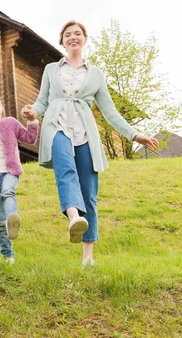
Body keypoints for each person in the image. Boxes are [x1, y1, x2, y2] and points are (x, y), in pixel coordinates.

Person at [21, 20, 159, 266]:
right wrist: (33, 112)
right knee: (65, 169)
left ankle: (87, 257)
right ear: (61, 41)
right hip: (58, 126)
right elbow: (42, 102)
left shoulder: (96, 74)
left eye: (77, 34)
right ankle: (74, 217)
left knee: (89, 192)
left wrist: (135, 135)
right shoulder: (52, 69)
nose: (72, 37)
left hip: (85, 133)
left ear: (84, 39)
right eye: (67, 35)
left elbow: (110, 111)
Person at [0, 92, 39, 264]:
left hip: (10, 170)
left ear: (2, 107)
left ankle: (13, 218)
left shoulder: (10, 123)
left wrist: (32, 121)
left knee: (8, 192)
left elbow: (30, 138)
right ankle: (7, 256)